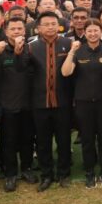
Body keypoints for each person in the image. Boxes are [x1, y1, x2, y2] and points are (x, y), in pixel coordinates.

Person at [61, 18, 102, 188]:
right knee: (87, 139)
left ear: (101, 32)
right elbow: (65, 72)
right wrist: (72, 51)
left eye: (96, 30)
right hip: (83, 102)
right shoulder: (78, 51)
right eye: (89, 31)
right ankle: (89, 172)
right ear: (84, 32)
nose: (93, 34)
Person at [26, 11, 74, 191]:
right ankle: (46, 175)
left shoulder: (68, 44)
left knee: (64, 139)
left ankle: (64, 173)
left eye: (54, 23)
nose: (51, 27)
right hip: (40, 102)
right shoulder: (31, 47)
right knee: (43, 141)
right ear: (38, 28)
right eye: (46, 24)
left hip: (63, 101)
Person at [0, 16, 36, 191]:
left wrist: (20, 52)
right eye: (12, 29)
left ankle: (27, 168)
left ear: (25, 31)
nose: (16, 32)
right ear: (6, 32)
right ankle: (10, 174)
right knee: (8, 142)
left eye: (19, 28)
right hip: (7, 105)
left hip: (28, 104)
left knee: (27, 139)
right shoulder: (0, 50)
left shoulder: (30, 49)